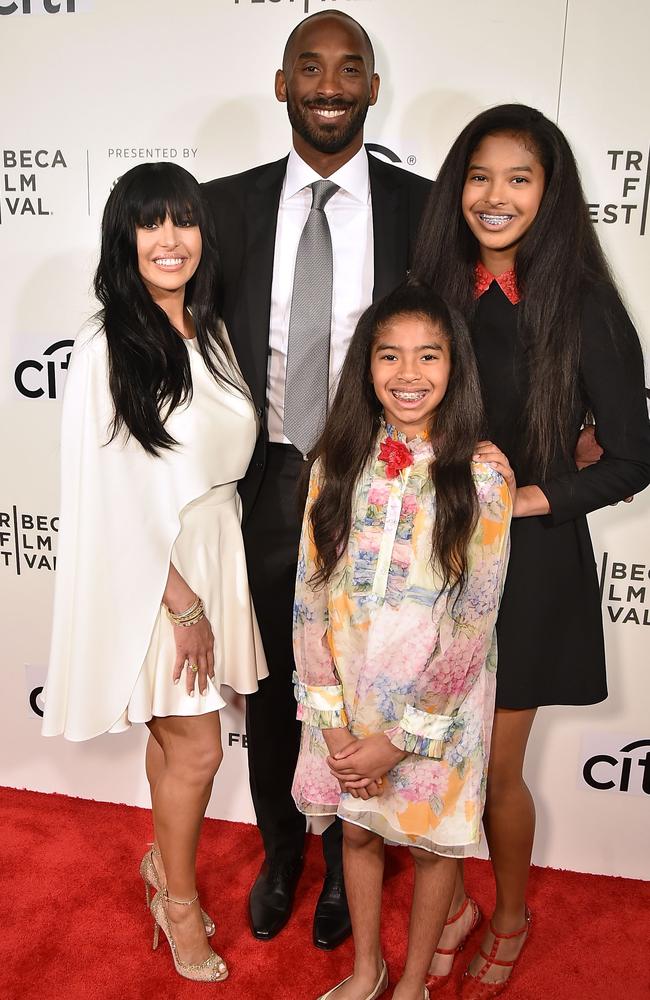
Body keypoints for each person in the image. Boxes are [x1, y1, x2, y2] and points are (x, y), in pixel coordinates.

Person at [202, 10, 432, 948]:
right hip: (257, 484)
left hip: (374, 485)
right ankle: (282, 852)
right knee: (270, 687)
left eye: (350, 69)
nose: (330, 84)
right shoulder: (223, 206)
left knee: (363, 687)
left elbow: (475, 344)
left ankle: (347, 870)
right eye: (311, 66)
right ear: (283, 82)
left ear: (374, 87)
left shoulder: (423, 209)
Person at [412, 104, 650, 996]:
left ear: (550, 193)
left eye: (520, 178)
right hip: (430, 561)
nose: (496, 195)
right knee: (436, 760)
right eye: (480, 176)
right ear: (458, 186)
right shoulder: (431, 283)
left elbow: (632, 454)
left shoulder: (582, 303)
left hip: (532, 567)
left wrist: (530, 500)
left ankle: (509, 914)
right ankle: (461, 906)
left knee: (494, 770)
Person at [42, 162, 267, 983]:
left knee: (177, 745)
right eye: (150, 224)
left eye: (183, 222)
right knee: (200, 751)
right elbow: (113, 497)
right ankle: (178, 902)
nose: (169, 240)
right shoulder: (110, 346)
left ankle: (160, 867)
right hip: (160, 574)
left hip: (216, 542)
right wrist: (181, 603)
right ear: (124, 239)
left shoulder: (206, 329)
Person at [292, 281, 513, 1000]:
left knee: (426, 845)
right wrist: (330, 721)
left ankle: (414, 983)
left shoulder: (481, 476)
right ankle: (367, 970)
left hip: (436, 712)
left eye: (428, 357)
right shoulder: (335, 463)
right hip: (349, 705)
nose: (408, 374)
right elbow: (308, 599)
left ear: (455, 367)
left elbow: (473, 622)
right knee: (356, 834)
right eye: (389, 356)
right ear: (366, 367)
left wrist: (405, 736)